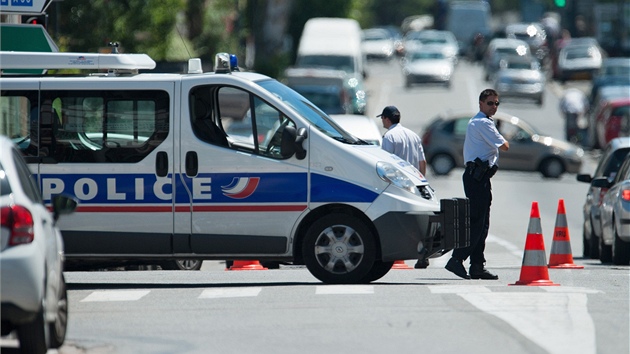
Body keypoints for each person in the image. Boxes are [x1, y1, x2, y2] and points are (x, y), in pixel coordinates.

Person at [445, 89, 509, 280]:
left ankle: (477, 265)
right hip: (477, 177)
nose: (494, 107)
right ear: (481, 104)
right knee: (476, 223)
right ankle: (457, 259)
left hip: (481, 177)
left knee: (483, 223)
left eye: (496, 103)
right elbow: (504, 146)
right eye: (490, 103)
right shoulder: (482, 122)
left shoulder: (485, 122)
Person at [377, 105, 429, 269]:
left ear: (386, 118)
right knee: (416, 221)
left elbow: (386, 162)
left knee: (397, 222)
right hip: (415, 183)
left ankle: (395, 255)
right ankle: (423, 255)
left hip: (397, 185)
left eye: (382, 118)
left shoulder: (389, 137)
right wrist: (422, 181)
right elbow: (422, 161)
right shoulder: (413, 135)